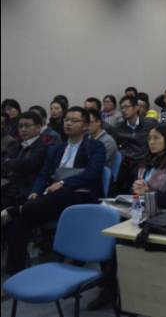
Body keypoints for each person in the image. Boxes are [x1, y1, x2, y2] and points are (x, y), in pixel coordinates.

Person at [3, 107, 106, 274]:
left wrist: (64, 182)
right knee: (19, 222)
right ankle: (15, 273)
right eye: (66, 120)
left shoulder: (96, 146)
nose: (68, 123)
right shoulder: (57, 148)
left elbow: (92, 174)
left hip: (80, 194)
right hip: (52, 198)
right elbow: (44, 174)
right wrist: (35, 192)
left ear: (86, 126)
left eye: (74, 120)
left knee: (62, 192)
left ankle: (19, 209)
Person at [124, 123, 166, 209]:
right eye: (149, 138)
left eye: (156, 138)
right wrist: (135, 188)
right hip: (138, 207)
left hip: (161, 212)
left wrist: (148, 191)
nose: (151, 142)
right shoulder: (145, 161)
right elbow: (131, 188)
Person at [1, 112, 48, 211]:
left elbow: (29, 164)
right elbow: (4, 164)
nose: (23, 129)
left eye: (27, 126)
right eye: (20, 126)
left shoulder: (42, 147)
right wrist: (12, 163)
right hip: (9, 186)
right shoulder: (17, 145)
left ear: (38, 127)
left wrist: (11, 163)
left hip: (23, 190)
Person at [109, 96, 155, 193]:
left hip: (143, 162)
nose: (124, 110)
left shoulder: (149, 124)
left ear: (136, 107)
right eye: (122, 108)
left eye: (127, 107)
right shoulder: (118, 128)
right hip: (125, 163)